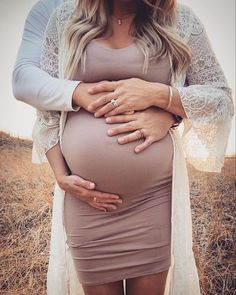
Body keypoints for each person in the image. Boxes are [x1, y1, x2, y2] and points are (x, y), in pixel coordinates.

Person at [13, 0, 234, 295]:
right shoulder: (64, 17)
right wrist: (61, 174)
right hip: (87, 201)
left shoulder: (181, 21)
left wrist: (163, 98)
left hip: (152, 200)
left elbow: (220, 99)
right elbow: (47, 110)